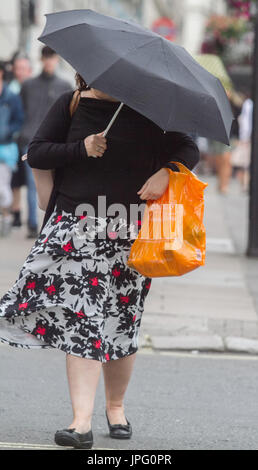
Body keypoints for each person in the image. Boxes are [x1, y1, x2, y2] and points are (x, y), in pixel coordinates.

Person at [0, 73, 200, 449]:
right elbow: (38, 151)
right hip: (77, 228)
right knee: (83, 320)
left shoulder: (152, 110)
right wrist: (82, 147)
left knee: (122, 324)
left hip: (131, 233)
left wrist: (166, 172)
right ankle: (80, 424)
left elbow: (189, 150)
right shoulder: (73, 103)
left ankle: (116, 406)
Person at [19, 46, 72, 238]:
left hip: (56, 143)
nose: (49, 61)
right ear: (41, 60)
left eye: (52, 57)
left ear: (56, 59)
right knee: (33, 184)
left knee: (55, 184)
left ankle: (51, 223)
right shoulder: (28, 85)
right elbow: (22, 110)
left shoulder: (65, 86)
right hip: (31, 140)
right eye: (46, 57)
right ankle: (34, 225)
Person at [8, 53, 32, 227]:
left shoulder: (33, 86)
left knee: (30, 180)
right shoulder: (11, 88)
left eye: (23, 68)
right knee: (14, 180)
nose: (20, 72)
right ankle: (15, 212)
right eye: (18, 68)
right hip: (13, 140)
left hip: (28, 138)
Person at [0, 60, 24, 237]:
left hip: (5, 148)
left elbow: (19, 120)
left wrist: (9, 133)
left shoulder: (11, 96)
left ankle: (6, 215)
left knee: (3, 187)